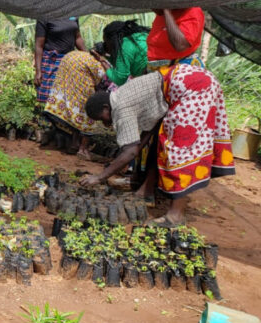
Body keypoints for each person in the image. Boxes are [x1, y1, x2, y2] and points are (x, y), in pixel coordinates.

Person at [81, 64, 235, 226]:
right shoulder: (121, 94)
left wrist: (100, 177)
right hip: (193, 80)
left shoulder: (120, 108)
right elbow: (147, 133)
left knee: (178, 150)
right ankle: (145, 191)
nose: (106, 124)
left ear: (106, 108)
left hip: (192, 88)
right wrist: (122, 160)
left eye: (103, 118)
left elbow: (131, 151)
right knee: (160, 143)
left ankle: (176, 216)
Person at [43, 46, 109, 159]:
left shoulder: (73, 54)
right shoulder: (95, 63)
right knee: (88, 119)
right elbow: (104, 78)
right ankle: (83, 149)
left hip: (68, 92)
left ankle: (74, 144)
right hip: (84, 93)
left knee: (76, 117)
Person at [34, 17, 86, 103]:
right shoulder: (44, 16)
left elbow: (78, 37)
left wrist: (87, 56)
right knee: (51, 97)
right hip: (52, 61)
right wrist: (38, 71)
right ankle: (50, 115)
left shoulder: (73, 14)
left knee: (68, 95)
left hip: (69, 61)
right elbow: (39, 45)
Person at [101, 20, 150, 87]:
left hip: (149, 76)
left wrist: (104, 63)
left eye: (106, 42)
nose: (106, 45)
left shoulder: (124, 46)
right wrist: (107, 56)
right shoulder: (140, 35)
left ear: (112, 40)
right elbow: (121, 64)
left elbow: (120, 79)